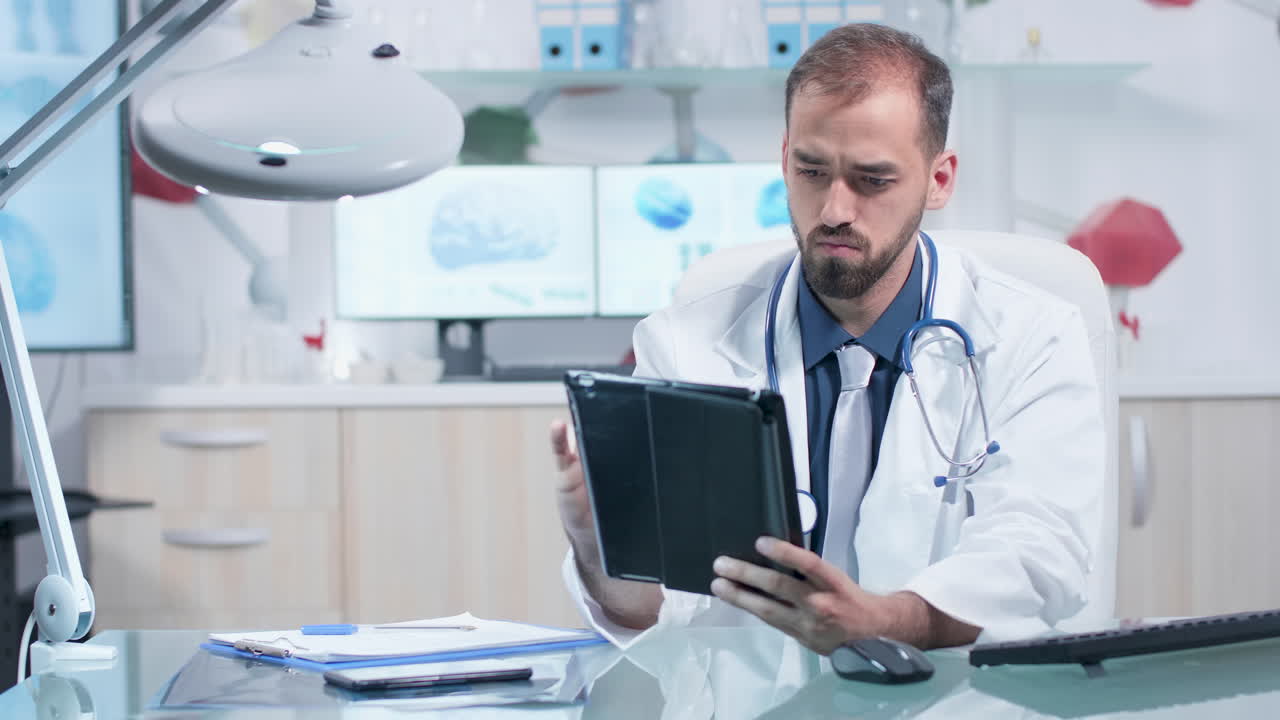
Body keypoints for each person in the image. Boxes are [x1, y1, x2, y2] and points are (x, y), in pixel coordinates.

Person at [550, 23, 1104, 654]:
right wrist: (603, 551)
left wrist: (882, 620)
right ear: (785, 159)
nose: (835, 209)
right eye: (812, 171)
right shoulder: (685, 345)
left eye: (872, 180)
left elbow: (1040, 554)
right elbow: (654, 615)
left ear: (940, 179)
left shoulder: (1032, 335)